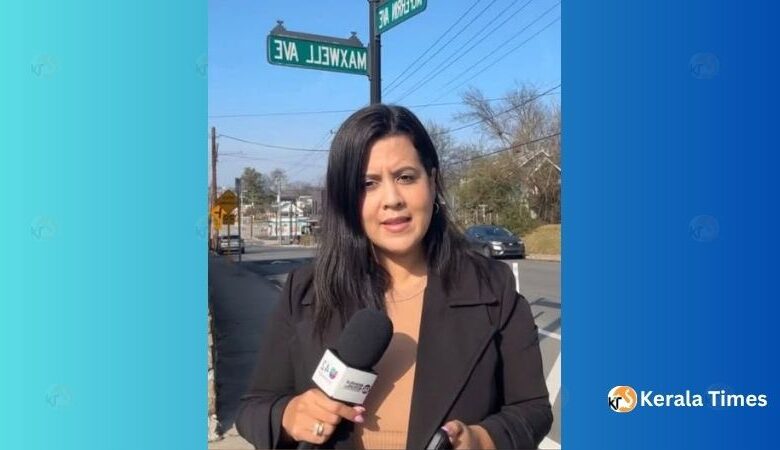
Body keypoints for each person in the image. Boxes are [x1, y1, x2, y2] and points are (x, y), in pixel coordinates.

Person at [236, 104, 552, 449]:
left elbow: (532, 410)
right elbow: (254, 408)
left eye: (405, 177)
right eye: (368, 184)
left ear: (432, 182)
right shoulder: (306, 292)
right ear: (347, 199)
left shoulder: (492, 287)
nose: (392, 199)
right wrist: (288, 415)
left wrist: (482, 440)